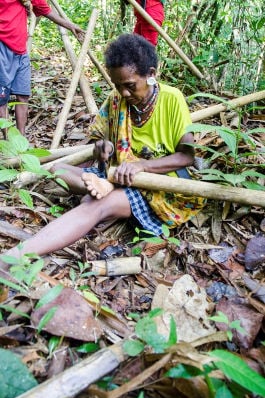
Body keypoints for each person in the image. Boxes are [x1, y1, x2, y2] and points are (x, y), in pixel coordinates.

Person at [0, 33, 205, 276]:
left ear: (150, 74)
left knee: (94, 206)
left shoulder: (172, 99)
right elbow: (100, 138)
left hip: (156, 187)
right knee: (59, 169)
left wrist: (142, 167)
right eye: (118, 86)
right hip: (117, 173)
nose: (124, 93)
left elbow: (186, 157)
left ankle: (15, 257)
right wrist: (103, 148)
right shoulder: (117, 98)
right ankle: (104, 188)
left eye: (130, 86)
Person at [0, 0, 83, 136]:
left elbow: (45, 10)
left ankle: (22, 139)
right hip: (2, 47)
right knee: (2, 98)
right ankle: (8, 140)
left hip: (21, 50)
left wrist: (70, 26)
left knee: (23, 96)